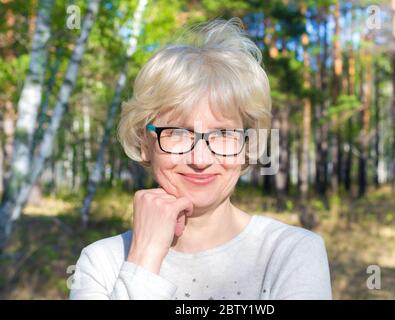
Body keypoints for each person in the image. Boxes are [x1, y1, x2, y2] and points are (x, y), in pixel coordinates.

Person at [69, 17, 332, 300]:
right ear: (144, 143)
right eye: (179, 133)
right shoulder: (101, 264)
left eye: (223, 134)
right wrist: (143, 260)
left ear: (247, 145)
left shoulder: (291, 253)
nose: (200, 157)